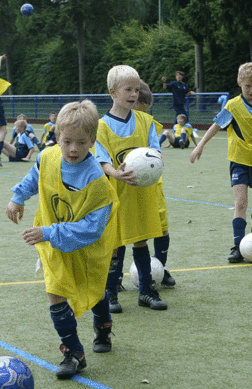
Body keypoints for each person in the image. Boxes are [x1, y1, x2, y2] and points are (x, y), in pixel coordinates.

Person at [5, 100, 119, 379]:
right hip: (53, 243)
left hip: (88, 248)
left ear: (93, 140)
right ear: (57, 137)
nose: (73, 149)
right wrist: (18, 197)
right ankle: (74, 353)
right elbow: (35, 177)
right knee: (54, 290)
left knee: (93, 290)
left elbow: (91, 230)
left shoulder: (98, 181)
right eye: (67, 141)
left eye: (81, 142)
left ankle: (103, 325)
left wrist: (47, 232)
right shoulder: (48, 156)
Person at [189, 62, 252, 263]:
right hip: (239, 159)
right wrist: (200, 145)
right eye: (247, 86)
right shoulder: (233, 105)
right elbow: (216, 126)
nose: (251, 90)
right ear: (239, 83)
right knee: (240, 203)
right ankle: (238, 246)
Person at [95, 65, 168, 311]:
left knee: (140, 241)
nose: (134, 94)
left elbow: (154, 149)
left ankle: (146, 291)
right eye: (128, 89)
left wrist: (156, 161)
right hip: (116, 194)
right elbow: (101, 158)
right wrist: (114, 172)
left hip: (141, 192)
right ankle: (111, 293)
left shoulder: (146, 121)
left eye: (136, 89)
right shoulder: (101, 126)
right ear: (112, 92)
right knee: (115, 245)